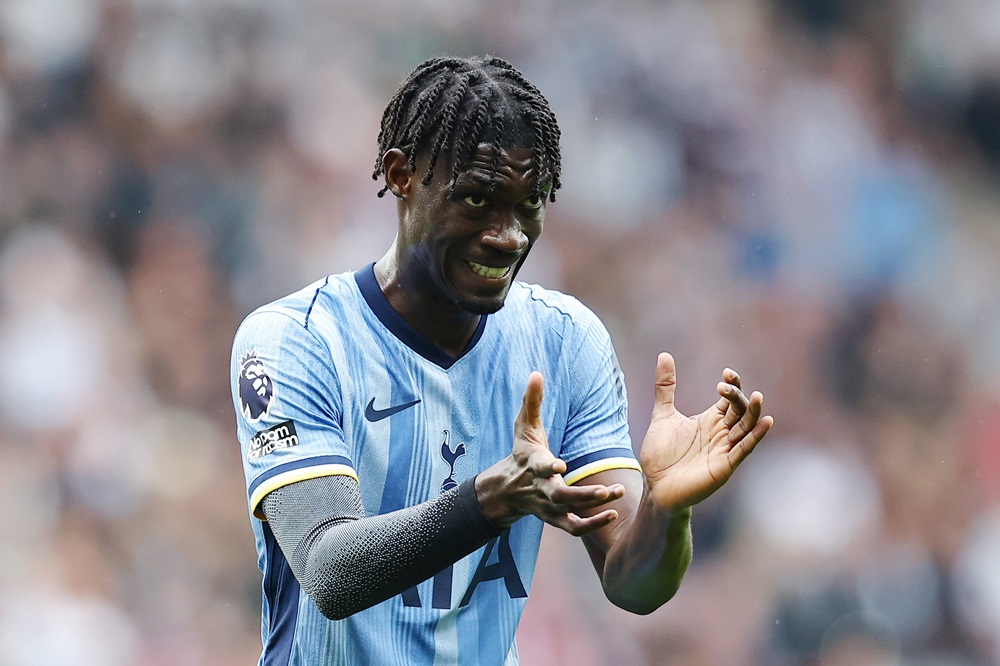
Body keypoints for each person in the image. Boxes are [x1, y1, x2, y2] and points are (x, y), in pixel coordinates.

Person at [230, 54, 773, 666]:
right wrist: (490, 500)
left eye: (530, 203)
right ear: (402, 175)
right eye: (478, 200)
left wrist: (665, 510)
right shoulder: (295, 341)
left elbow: (632, 583)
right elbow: (329, 571)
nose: (508, 234)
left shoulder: (566, 340)